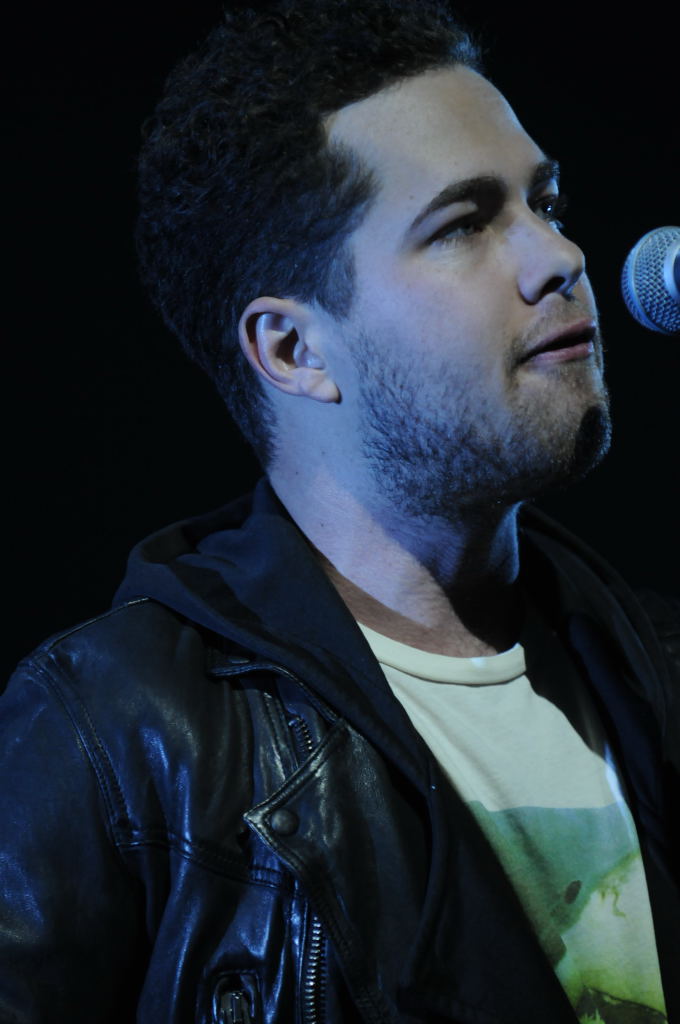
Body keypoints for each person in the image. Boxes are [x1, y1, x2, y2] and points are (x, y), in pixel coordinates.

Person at [1, 1, 678, 1021]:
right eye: (463, 224)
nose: (558, 256)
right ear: (293, 350)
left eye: (545, 202)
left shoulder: (655, 669)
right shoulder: (113, 733)